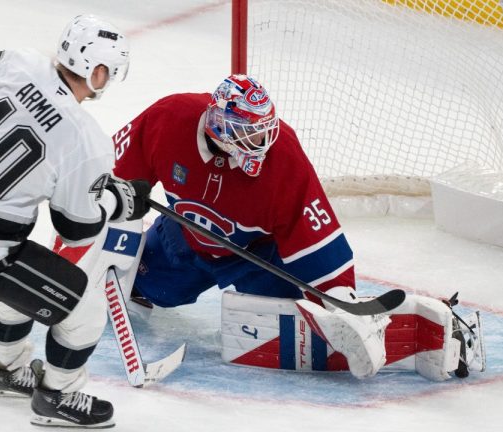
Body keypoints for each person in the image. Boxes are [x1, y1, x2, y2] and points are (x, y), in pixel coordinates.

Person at [0, 14, 150, 428]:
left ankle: (3, 369)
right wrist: (116, 200)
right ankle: (57, 397)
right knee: (85, 314)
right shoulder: (86, 140)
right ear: (97, 73)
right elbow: (75, 228)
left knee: (21, 281)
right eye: (109, 72)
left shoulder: (18, 62)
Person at [110, 74, 397, 379]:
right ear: (218, 123)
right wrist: (103, 234)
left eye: (262, 131)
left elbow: (315, 237)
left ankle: (363, 325)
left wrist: (337, 300)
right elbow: (113, 176)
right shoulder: (169, 118)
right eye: (248, 132)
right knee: (156, 287)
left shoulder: (283, 159)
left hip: (256, 258)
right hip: (184, 238)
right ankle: (134, 281)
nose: (260, 143)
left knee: (283, 320)